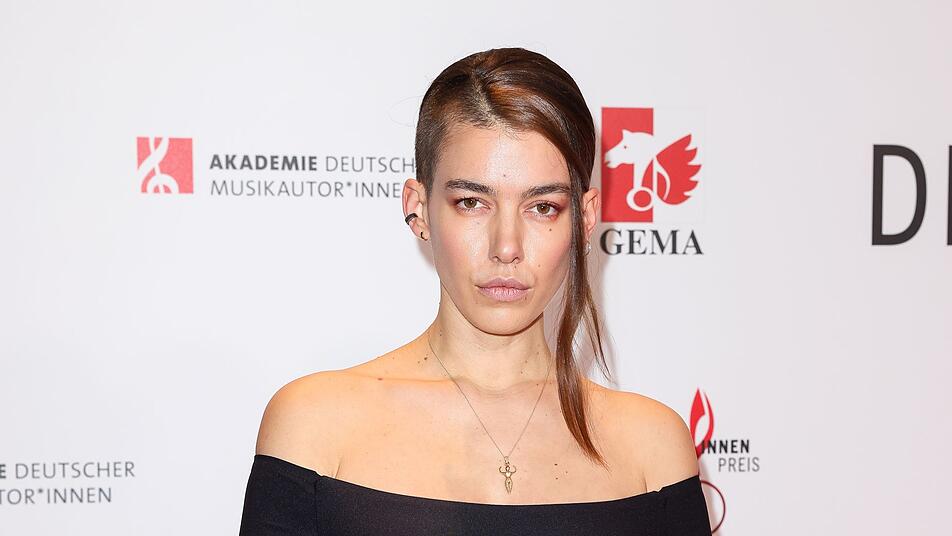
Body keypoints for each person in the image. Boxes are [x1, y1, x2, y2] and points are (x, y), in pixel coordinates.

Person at [239, 47, 711, 535]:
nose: (506, 247)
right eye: (471, 202)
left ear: (586, 218)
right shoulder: (314, 427)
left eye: (543, 207)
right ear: (418, 209)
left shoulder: (653, 449)